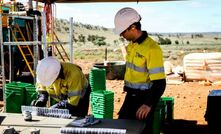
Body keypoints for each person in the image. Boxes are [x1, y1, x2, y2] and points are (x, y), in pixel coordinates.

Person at [113, 7, 166, 134]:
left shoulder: (152, 49)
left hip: (143, 100)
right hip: (131, 96)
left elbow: (160, 83)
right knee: (122, 128)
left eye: (122, 31)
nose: (121, 35)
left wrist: (148, 104)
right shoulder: (133, 44)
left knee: (140, 131)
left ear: (132, 27)